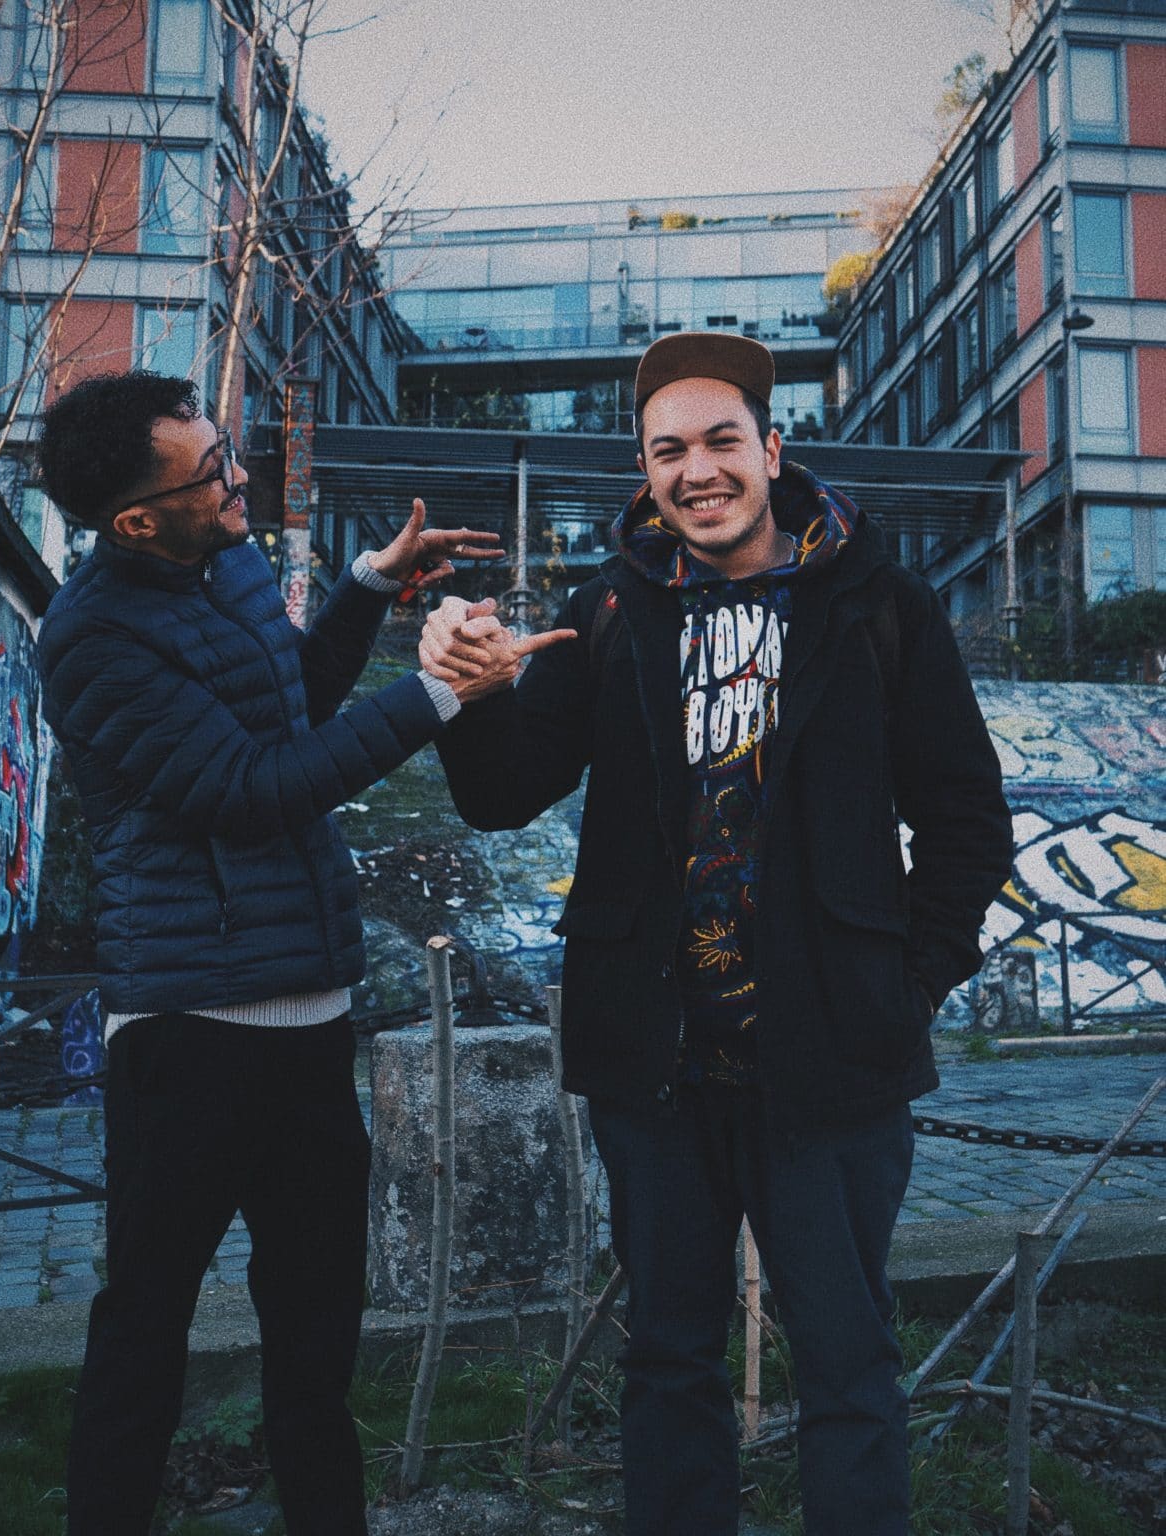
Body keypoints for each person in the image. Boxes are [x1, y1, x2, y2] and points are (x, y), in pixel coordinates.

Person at [418, 333, 1013, 1536]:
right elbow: (502, 795)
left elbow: (966, 822)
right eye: (668, 451)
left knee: (849, 1364)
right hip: (657, 1072)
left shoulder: (878, 605)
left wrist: (908, 988)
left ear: (772, 450)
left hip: (834, 1065)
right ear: (646, 472)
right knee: (668, 1360)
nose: (698, 470)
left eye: (722, 440)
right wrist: (469, 696)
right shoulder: (609, 610)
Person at [34, 370, 539, 1536]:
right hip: (189, 1038)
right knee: (146, 1334)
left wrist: (368, 588)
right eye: (212, 472)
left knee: (317, 1346)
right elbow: (254, 791)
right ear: (136, 521)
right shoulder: (91, 641)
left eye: (227, 452)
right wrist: (436, 695)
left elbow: (291, 706)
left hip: (310, 1029)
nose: (239, 478)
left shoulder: (231, 563)